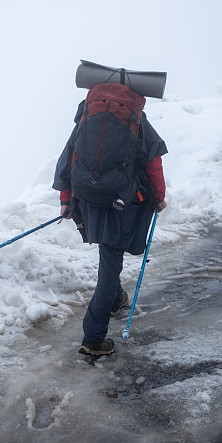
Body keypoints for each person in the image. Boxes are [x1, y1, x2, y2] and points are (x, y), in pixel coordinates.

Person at [53, 82, 168, 357]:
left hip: (89, 199)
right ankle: (93, 338)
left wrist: (66, 200)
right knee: (110, 264)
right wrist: (160, 197)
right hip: (120, 202)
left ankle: (116, 300)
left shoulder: (86, 118)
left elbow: (69, 156)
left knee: (108, 256)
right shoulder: (136, 120)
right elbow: (153, 162)